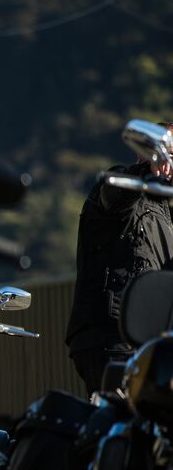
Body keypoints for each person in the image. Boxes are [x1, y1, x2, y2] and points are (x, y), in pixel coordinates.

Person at [65, 123, 173, 394]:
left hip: (150, 341)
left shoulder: (167, 214)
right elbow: (112, 195)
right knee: (126, 422)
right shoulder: (121, 183)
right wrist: (146, 173)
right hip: (113, 338)